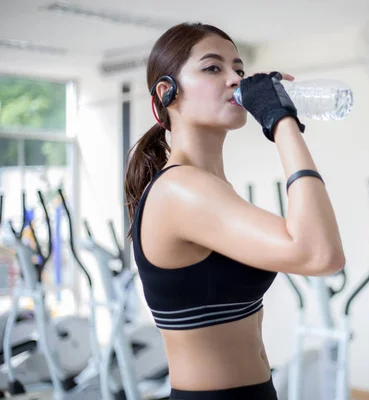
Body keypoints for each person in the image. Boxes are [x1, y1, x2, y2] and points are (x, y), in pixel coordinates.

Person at [123, 22, 345, 400]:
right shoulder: (180, 189)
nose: (235, 80)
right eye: (213, 68)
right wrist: (281, 121)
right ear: (167, 92)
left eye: (239, 70)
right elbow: (321, 254)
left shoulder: (207, 188)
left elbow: (315, 248)